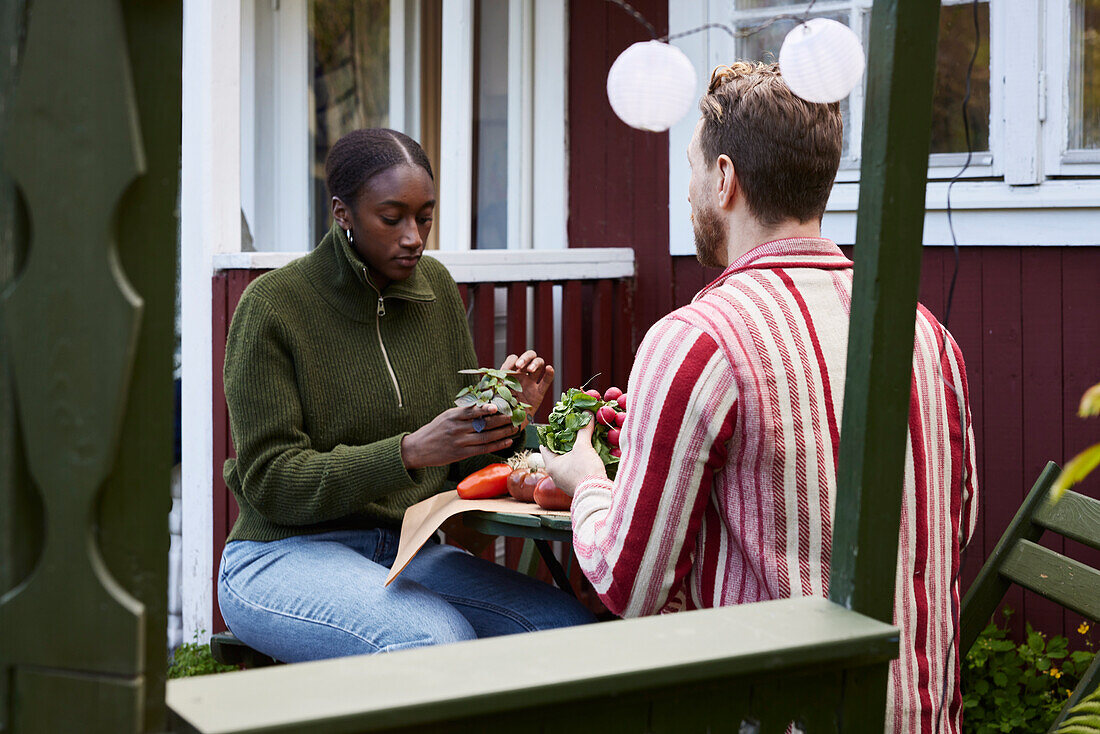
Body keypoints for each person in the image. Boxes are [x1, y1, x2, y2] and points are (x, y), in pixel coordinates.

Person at [543, 63, 978, 733]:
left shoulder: (697, 341)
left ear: (724, 179)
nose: (687, 192)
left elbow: (631, 584)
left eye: (690, 169)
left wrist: (588, 484)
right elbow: (957, 523)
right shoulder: (926, 337)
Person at [218, 128, 595, 663]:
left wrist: (507, 412)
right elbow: (270, 481)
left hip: (407, 547)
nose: (414, 236)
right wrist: (408, 452)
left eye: (425, 218)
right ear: (342, 213)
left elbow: (464, 470)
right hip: (279, 555)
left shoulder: (435, 291)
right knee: (434, 643)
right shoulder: (274, 307)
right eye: (392, 219)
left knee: (567, 629)